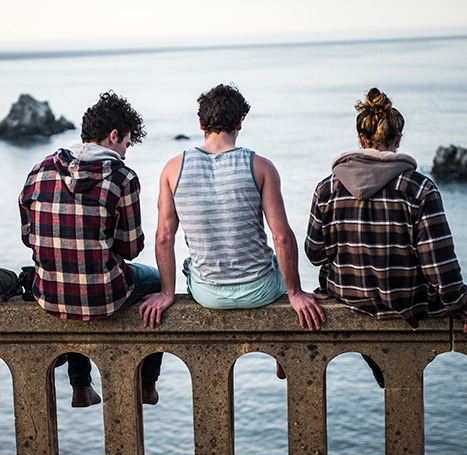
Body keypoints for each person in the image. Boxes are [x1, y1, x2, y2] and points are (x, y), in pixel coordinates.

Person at [139, 84, 327, 380]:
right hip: (260, 289)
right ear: (240, 123)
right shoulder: (260, 166)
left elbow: (164, 237)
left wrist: (166, 293)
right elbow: (282, 238)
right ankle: (281, 355)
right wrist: (295, 292)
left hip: (206, 294)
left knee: (195, 266)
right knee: (276, 268)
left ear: (201, 124)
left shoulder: (173, 169)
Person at [305, 87, 467, 386]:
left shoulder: (327, 188)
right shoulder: (419, 188)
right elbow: (439, 266)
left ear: (361, 139)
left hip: (349, 295)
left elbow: (315, 254)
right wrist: (460, 305)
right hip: (407, 299)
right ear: (398, 139)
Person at [19, 91, 163, 407]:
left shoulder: (40, 169)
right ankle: (147, 383)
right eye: (126, 143)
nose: (125, 153)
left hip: (48, 293)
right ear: (114, 136)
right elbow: (131, 247)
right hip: (104, 297)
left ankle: (80, 386)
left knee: (68, 274)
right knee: (157, 283)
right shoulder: (122, 176)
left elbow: (29, 236)